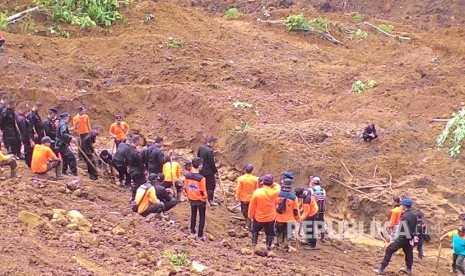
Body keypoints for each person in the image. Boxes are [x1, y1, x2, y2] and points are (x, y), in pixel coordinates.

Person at [374, 198, 418, 275]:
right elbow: (415, 227)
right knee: (408, 252)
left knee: (389, 249)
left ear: (404, 206)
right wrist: (411, 237)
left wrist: (401, 238)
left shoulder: (404, 216)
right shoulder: (414, 215)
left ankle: (381, 269)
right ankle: (408, 269)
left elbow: (405, 228)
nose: (401, 206)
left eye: (402, 205)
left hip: (403, 237)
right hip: (410, 237)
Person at [248, 174, 281, 250]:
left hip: (259, 217)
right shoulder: (274, 192)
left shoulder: (257, 192)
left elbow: (252, 205)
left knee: (255, 230)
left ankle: (254, 244)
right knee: (269, 233)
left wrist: (250, 215)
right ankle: (268, 246)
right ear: (271, 183)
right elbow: (278, 186)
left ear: (262, 182)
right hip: (270, 218)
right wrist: (273, 183)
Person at [184, 157, 208, 240]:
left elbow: (186, 188)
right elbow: (203, 190)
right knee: (202, 217)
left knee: (193, 215)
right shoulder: (201, 178)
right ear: (199, 166)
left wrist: (188, 196)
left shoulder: (187, 176)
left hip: (191, 198)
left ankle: (192, 231)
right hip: (200, 200)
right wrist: (205, 198)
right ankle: (200, 235)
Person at [275, 178, 300, 251]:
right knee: (288, 233)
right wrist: (298, 219)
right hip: (289, 219)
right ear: (290, 187)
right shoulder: (294, 197)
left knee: (278, 232)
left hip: (279, 218)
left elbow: (275, 205)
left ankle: (277, 244)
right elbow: (295, 210)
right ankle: (286, 246)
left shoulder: (277, 194)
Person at [235, 163, 258, 229]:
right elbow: (257, 189)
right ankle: (250, 222)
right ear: (252, 170)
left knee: (244, 211)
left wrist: (237, 197)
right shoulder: (255, 179)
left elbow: (239, 189)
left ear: (245, 170)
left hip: (244, 198)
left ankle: (248, 221)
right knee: (252, 210)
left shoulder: (241, 179)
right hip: (252, 198)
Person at [197, 136, 219, 206]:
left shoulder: (201, 147)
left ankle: (203, 198)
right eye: (214, 143)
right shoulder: (209, 151)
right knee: (211, 185)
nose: (214, 145)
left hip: (201, 170)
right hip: (208, 171)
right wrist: (215, 171)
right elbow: (212, 163)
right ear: (211, 142)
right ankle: (210, 200)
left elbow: (198, 157)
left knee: (203, 184)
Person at [127, 135, 146, 199]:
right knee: (140, 184)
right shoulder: (136, 153)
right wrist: (144, 170)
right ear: (137, 141)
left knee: (135, 183)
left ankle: (134, 196)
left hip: (131, 169)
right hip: (137, 171)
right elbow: (140, 163)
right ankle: (136, 197)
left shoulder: (129, 149)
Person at [17, 102, 34, 167]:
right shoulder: (21, 118)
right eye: (27, 108)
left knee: (29, 150)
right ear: (23, 108)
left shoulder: (23, 116)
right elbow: (25, 131)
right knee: (28, 150)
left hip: (27, 135)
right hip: (26, 137)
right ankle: (28, 164)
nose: (28, 110)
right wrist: (30, 140)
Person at [311, 177, 327, 242]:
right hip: (322, 209)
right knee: (321, 222)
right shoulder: (323, 190)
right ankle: (323, 237)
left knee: (313, 222)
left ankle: (314, 238)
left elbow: (311, 200)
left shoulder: (312, 190)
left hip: (315, 209)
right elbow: (325, 200)